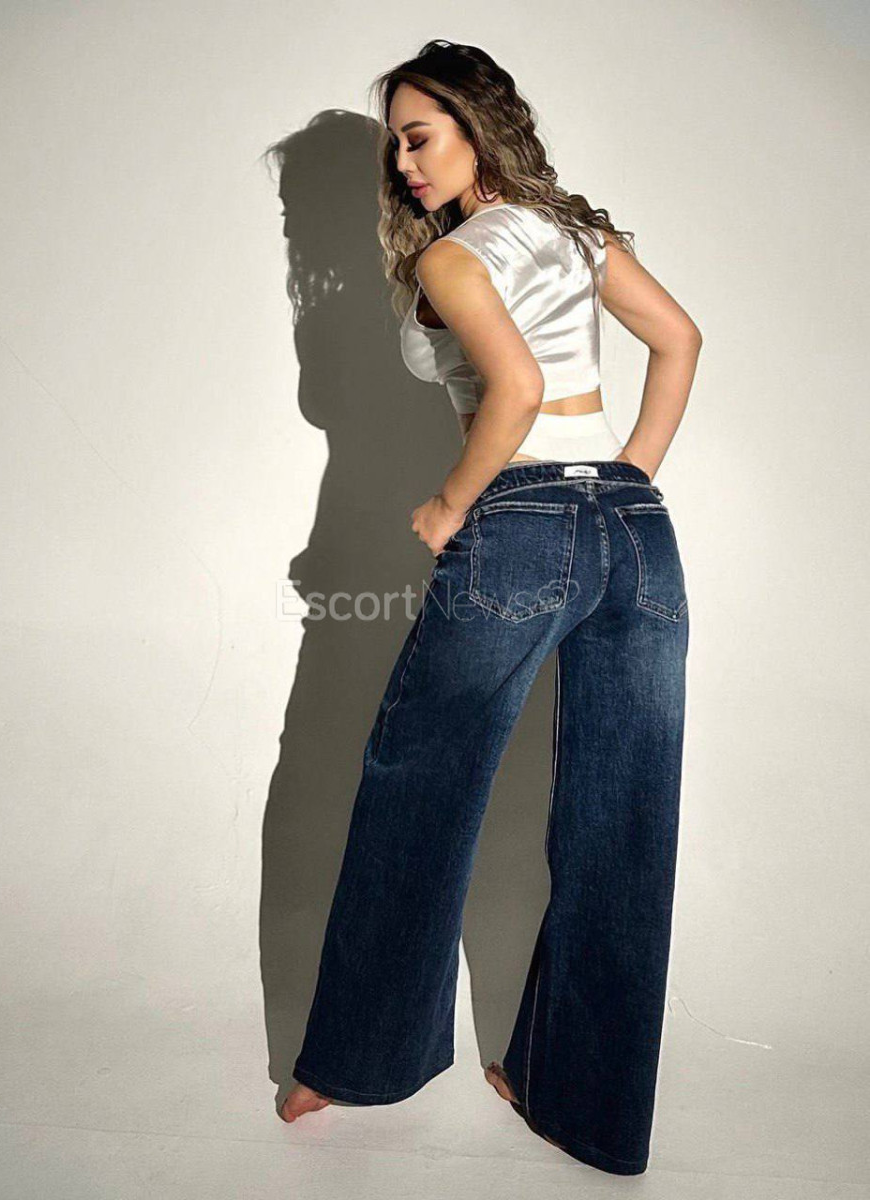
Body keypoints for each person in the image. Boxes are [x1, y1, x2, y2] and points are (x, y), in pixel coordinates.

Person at [277, 40, 702, 1176]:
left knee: (416, 787)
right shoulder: (577, 233)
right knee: (622, 825)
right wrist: (625, 481)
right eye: (394, 147)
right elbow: (679, 340)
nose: (404, 164)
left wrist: (448, 503)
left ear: (475, 128)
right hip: (637, 536)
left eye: (418, 137)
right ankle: (585, 1104)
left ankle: (359, 1060)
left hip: (515, 523)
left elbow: (513, 390)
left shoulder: (455, 257)